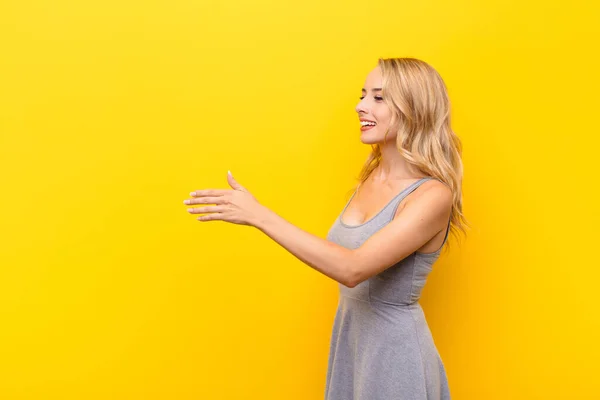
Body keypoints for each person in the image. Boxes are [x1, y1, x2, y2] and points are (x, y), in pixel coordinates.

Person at [183, 57, 467, 400]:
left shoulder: (432, 196)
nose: (360, 106)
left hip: (394, 357)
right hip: (352, 345)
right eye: (363, 95)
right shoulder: (371, 178)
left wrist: (259, 216)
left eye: (378, 98)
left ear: (414, 109)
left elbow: (352, 268)